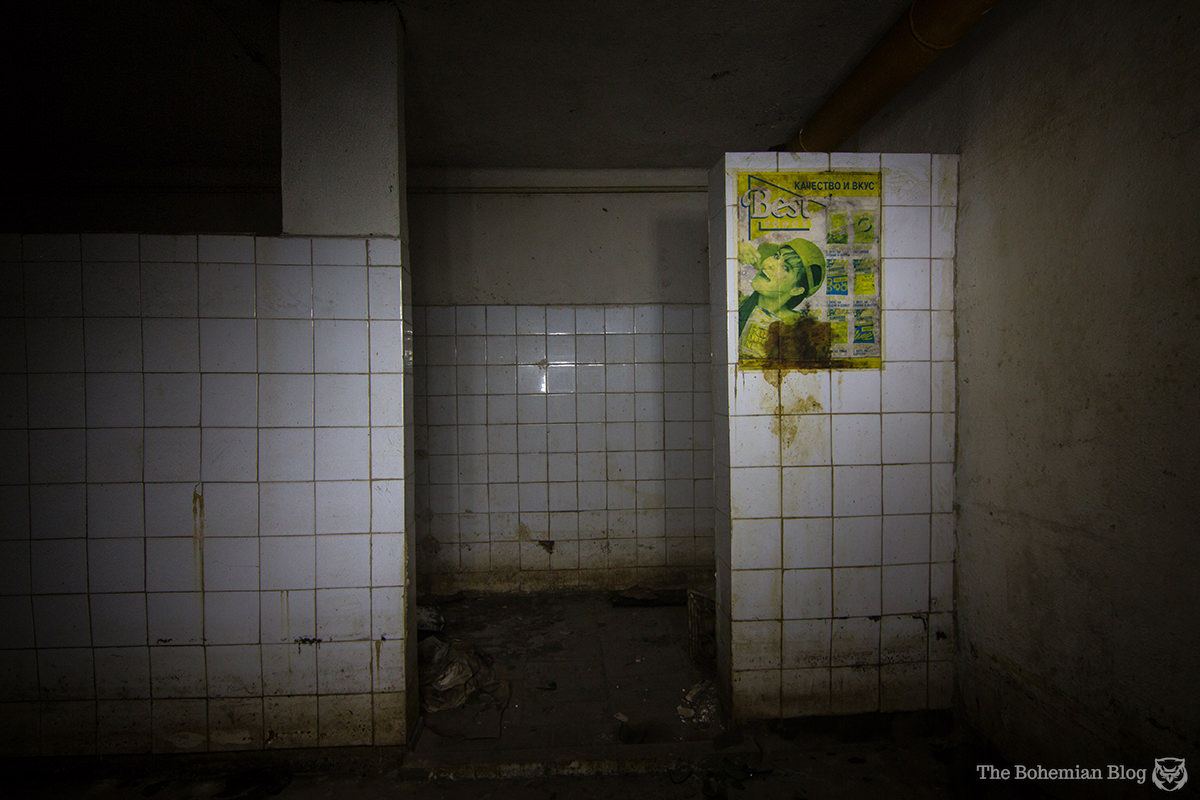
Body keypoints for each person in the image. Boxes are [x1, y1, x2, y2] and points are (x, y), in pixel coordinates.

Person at [737, 238, 826, 359]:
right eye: (776, 256)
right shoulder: (739, 304)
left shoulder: (798, 331)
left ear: (796, 290)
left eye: (786, 267)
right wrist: (735, 250)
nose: (770, 264)